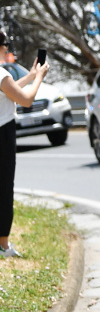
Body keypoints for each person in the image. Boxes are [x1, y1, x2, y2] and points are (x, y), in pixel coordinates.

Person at [0, 33, 49, 258]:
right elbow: (26, 100)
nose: (7, 49)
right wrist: (39, 77)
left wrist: (29, 75)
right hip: (3, 134)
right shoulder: (1, 74)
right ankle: (3, 245)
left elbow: (10, 93)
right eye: (6, 45)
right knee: (4, 187)